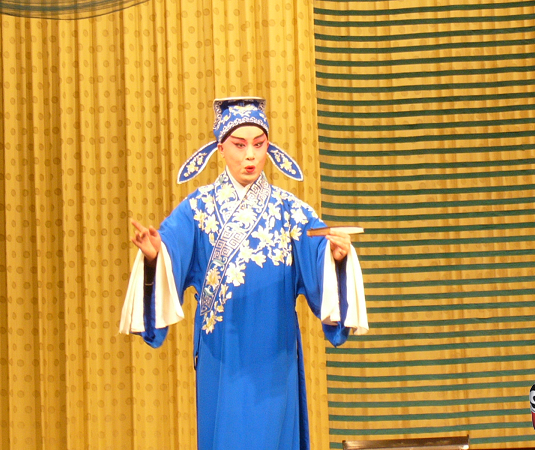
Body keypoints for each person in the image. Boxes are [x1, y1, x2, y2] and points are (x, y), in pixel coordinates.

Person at [120, 97, 368, 450]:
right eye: (239, 145)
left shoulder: (289, 211)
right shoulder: (198, 209)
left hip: (274, 353)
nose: (250, 155)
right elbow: (171, 245)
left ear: (269, 147)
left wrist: (336, 256)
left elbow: (318, 252)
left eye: (259, 144)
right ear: (221, 149)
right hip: (221, 353)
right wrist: (155, 254)